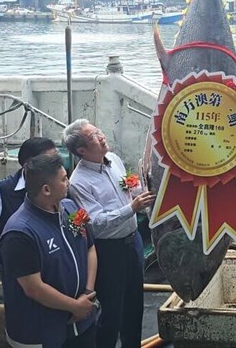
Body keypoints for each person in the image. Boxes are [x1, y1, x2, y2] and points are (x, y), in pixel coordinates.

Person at [64, 119, 156, 348]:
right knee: (112, 311)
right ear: (81, 151)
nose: (101, 136)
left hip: (132, 241)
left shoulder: (114, 160)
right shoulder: (79, 182)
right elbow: (95, 223)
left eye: (98, 131)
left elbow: (128, 185)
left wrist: (140, 191)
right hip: (109, 250)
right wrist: (132, 208)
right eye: (94, 137)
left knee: (135, 304)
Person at [0, 153, 99, 348]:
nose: (68, 182)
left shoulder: (70, 208)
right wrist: (74, 306)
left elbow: (90, 248)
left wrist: (87, 293)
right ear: (46, 189)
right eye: (63, 179)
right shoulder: (20, 233)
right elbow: (33, 288)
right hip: (43, 333)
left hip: (82, 321)